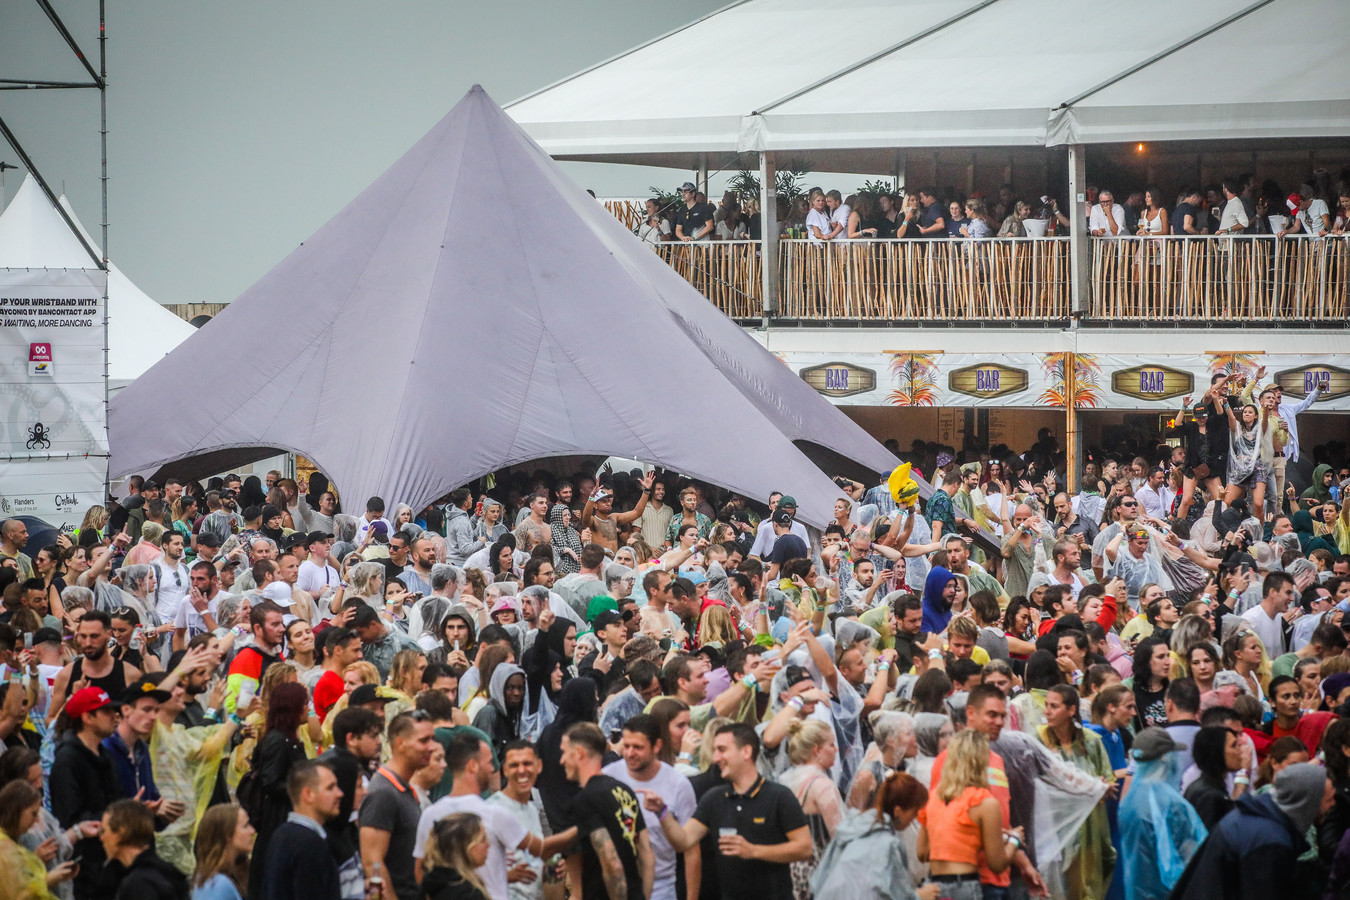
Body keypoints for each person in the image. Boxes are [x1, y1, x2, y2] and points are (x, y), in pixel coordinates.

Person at [644, 722, 812, 900]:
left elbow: (804, 848)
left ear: (746, 752)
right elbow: (684, 841)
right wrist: (662, 813)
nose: (715, 758)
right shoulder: (714, 799)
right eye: (715, 750)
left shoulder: (779, 796)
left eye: (722, 750)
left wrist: (753, 850)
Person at [415, 730, 574, 900]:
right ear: (472, 766)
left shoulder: (430, 814)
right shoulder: (493, 813)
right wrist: (583, 826)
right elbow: (542, 848)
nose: (492, 769)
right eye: (490, 762)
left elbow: (420, 871)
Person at [1171, 763, 1331, 900]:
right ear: (1309, 801)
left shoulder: (1258, 815)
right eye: (1328, 800)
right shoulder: (1270, 842)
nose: (1332, 805)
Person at [917, 729, 1024, 900]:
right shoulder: (985, 802)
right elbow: (997, 864)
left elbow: (922, 853)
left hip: (934, 888)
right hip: (965, 886)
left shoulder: (933, 798)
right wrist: (1015, 839)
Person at [602, 714, 698, 900]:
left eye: (638, 747)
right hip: (615, 885)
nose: (629, 753)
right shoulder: (607, 777)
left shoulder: (678, 784)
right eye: (627, 745)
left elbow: (692, 849)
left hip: (661, 886)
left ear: (657, 746)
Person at [560, 722, 654, 900]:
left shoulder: (583, 801)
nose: (561, 760)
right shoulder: (624, 790)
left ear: (579, 752)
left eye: (564, 752)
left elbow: (612, 864)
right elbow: (646, 854)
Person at [810, 771, 935, 900]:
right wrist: (920, 896)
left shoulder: (848, 829)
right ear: (898, 811)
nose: (915, 818)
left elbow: (818, 879)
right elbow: (899, 895)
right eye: (914, 812)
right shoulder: (888, 845)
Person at [50, 685, 124, 900]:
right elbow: (69, 818)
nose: (114, 716)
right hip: (86, 873)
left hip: (109, 863)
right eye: (107, 711)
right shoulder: (67, 761)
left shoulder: (104, 754)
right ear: (88, 718)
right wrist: (115, 819)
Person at [1117, 727, 1207, 900]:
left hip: (1136, 890)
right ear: (1165, 759)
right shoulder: (1171, 803)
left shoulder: (1129, 800)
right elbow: (1193, 855)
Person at [359, 710, 438, 900]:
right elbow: (372, 863)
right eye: (423, 741)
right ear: (400, 744)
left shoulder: (403, 788)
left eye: (432, 739)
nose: (432, 747)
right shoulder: (383, 794)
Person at [246, 681, 310, 899]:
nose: (308, 709)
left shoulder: (290, 739)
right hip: (277, 818)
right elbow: (270, 782)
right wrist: (302, 788)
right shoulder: (278, 741)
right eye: (304, 704)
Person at [261, 761, 344, 900]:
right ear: (308, 794)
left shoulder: (281, 835)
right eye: (330, 788)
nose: (340, 793)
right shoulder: (310, 845)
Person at [0, 779, 79, 900]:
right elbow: (19, 893)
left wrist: (54, 873)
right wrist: (49, 879)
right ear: (16, 811)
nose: (37, 819)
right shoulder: (4, 848)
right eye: (33, 813)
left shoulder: (12, 842)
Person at [99, 798, 190, 900]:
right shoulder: (168, 871)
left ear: (121, 832)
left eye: (103, 831)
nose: (101, 838)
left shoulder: (138, 884)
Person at [421, 813, 493, 900]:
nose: (488, 844)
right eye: (482, 839)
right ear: (465, 847)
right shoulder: (467, 893)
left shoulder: (431, 884)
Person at [190, 804, 255, 900]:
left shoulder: (210, 879)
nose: (252, 831)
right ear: (227, 834)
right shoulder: (217, 884)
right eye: (245, 826)